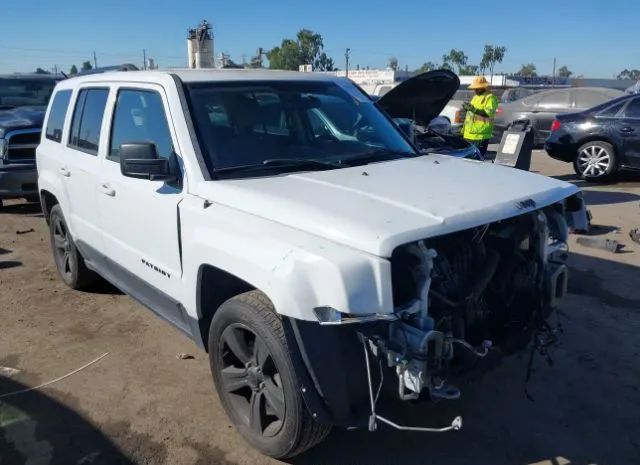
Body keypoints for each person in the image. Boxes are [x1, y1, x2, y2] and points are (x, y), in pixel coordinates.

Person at [461, 76, 498, 158]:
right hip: (468, 135)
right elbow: (470, 116)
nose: (475, 90)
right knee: (467, 160)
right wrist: (462, 130)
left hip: (480, 136)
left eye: (477, 88)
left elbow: (488, 113)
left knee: (477, 160)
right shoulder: (475, 98)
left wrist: (473, 109)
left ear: (483, 87)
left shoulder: (490, 98)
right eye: (475, 88)